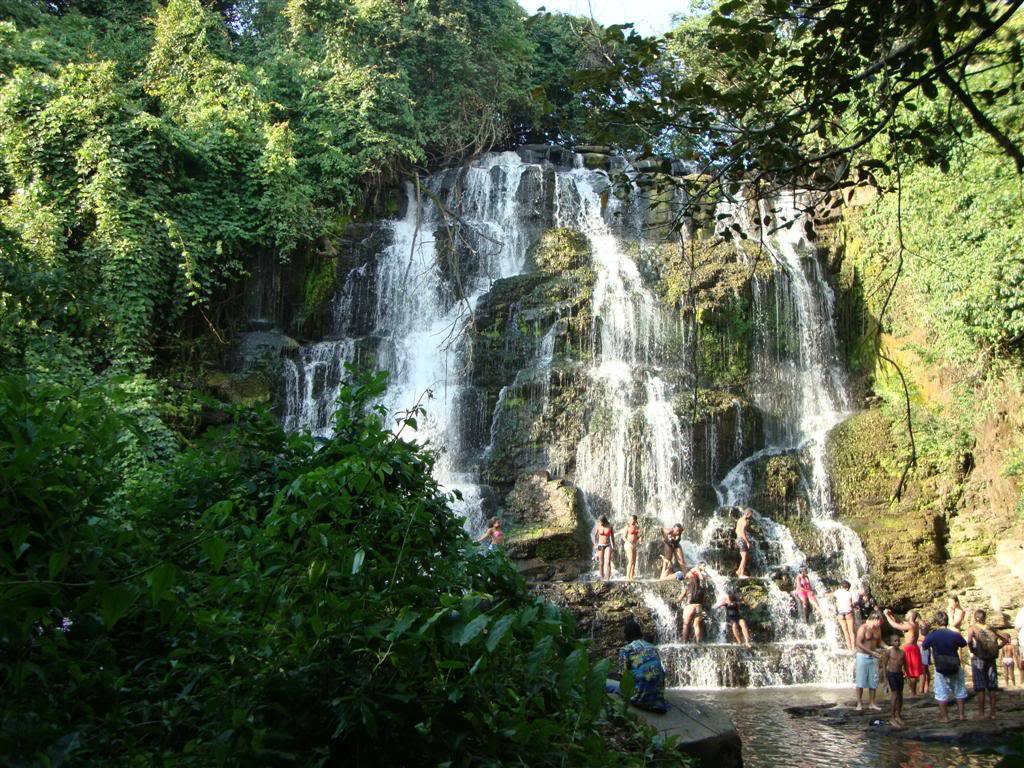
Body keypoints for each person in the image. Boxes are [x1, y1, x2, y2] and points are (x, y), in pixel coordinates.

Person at [609, 618, 669, 713]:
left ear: (626, 635)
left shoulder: (626, 650)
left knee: (607, 683)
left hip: (639, 699)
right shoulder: (652, 647)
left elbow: (623, 676)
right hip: (658, 699)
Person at [921, 610, 968, 723]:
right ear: (947, 621)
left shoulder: (932, 635)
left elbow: (924, 646)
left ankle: (945, 717)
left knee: (941, 692)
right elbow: (963, 643)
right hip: (954, 664)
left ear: (937, 622)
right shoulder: (954, 634)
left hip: (940, 666)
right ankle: (961, 715)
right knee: (959, 690)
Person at [967, 609, 1009, 720]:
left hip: (978, 659)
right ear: (984, 617)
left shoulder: (972, 628)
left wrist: (972, 650)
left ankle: (981, 713)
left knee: (980, 688)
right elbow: (1005, 638)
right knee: (992, 687)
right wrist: (998, 648)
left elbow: (969, 641)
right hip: (991, 659)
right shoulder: (991, 628)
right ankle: (993, 713)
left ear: (975, 617)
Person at [883, 608, 924, 696]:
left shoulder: (910, 625)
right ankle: (913, 692)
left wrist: (886, 615)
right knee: (910, 672)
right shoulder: (914, 624)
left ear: (910, 616)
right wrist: (891, 615)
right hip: (914, 648)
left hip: (910, 649)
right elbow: (899, 622)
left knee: (912, 673)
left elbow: (895, 625)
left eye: (907, 614)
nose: (905, 615)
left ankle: (913, 693)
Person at [854, 610, 884, 711]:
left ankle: (872, 703)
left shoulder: (878, 629)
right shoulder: (863, 628)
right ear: (874, 619)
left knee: (873, 681)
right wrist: (871, 653)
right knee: (860, 681)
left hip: (874, 656)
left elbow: (879, 642)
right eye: (879, 621)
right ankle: (859, 703)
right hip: (862, 656)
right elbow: (858, 643)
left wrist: (887, 647)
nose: (880, 623)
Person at [881, 634, 907, 727]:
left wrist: (906, 673)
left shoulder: (902, 652)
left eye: (898, 641)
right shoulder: (889, 652)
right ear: (891, 642)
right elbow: (884, 664)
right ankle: (892, 717)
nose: (897, 642)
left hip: (899, 674)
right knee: (895, 694)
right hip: (891, 674)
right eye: (895, 641)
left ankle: (898, 715)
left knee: (900, 695)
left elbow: (905, 664)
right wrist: (885, 678)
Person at [680, 563, 707, 643]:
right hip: (699, 607)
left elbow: (680, 598)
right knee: (696, 625)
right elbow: (703, 600)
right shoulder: (701, 589)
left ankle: (684, 642)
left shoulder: (687, 587)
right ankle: (698, 642)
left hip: (690, 606)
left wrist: (676, 600)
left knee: (686, 625)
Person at [832, 580, 856, 651]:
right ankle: (853, 648)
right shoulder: (849, 593)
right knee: (851, 631)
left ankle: (849, 649)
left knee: (845, 632)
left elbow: (831, 595)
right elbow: (851, 604)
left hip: (840, 613)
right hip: (848, 612)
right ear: (847, 587)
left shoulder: (837, 592)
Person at [593, 516, 615, 580]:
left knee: (608, 561)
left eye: (601, 522)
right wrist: (595, 544)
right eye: (599, 522)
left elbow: (612, 537)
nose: (600, 523)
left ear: (604, 521)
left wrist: (614, 546)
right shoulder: (598, 526)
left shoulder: (610, 526)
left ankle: (608, 578)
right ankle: (602, 577)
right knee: (601, 562)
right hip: (600, 545)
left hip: (608, 545)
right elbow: (594, 536)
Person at [735, 508, 753, 578]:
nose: (751, 516)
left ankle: (738, 571)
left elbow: (736, 530)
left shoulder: (739, 520)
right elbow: (742, 532)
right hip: (742, 540)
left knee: (745, 556)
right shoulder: (745, 521)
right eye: (751, 514)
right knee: (744, 557)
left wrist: (738, 537)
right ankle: (741, 574)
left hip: (738, 539)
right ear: (747, 514)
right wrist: (747, 542)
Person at [621, 515, 640, 581]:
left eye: (632, 519)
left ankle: (632, 576)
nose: (631, 520)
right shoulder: (627, 527)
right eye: (630, 519)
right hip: (628, 544)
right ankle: (627, 576)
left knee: (634, 562)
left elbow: (637, 537)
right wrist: (628, 542)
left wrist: (639, 539)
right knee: (631, 560)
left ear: (635, 520)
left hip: (634, 544)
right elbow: (623, 537)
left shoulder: (637, 527)